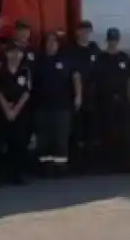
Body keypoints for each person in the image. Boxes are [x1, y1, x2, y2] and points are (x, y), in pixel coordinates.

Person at [34, 31, 81, 175]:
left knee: (60, 138)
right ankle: (45, 167)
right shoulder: (39, 60)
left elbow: (75, 77)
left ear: (58, 44)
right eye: (48, 41)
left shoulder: (65, 60)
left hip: (62, 106)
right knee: (44, 138)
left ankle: (60, 168)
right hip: (42, 107)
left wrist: (78, 95)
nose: (51, 44)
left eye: (54, 42)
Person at [0, 42, 33, 184]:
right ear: (7, 54)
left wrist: (15, 110)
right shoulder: (1, 70)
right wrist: (6, 108)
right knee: (2, 143)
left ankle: (16, 175)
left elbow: (27, 92)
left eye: (19, 53)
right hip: (3, 112)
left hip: (20, 112)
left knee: (19, 143)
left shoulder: (25, 71)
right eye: (13, 52)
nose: (16, 56)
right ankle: (0, 175)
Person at [94, 28, 130, 172]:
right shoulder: (101, 58)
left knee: (123, 132)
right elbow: (96, 79)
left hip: (122, 100)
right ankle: (107, 165)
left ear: (118, 40)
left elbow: (129, 79)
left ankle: (123, 164)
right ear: (107, 41)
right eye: (111, 40)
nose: (113, 42)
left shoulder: (124, 57)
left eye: (115, 40)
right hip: (105, 100)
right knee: (107, 131)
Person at [66, 20, 100, 172]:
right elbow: (74, 74)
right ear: (77, 32)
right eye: (82, 30)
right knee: (77, 131)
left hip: (93, 96)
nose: (85, 33)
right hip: (77, 96)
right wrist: (77, 95)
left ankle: (90, 164)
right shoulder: (72, 50)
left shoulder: (94, 48)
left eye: (88, 30)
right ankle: (76, 165)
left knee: (91, 131)